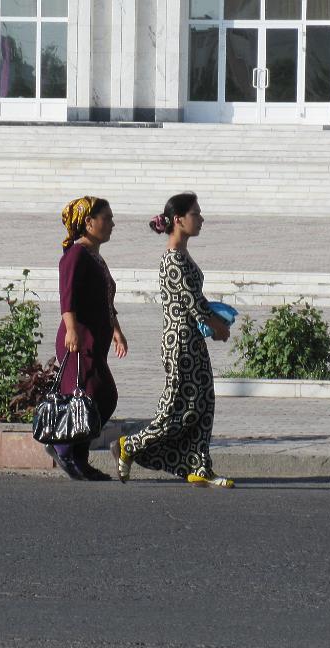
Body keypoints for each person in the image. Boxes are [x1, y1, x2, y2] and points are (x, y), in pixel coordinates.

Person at [111, 192, 235, 488]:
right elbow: (193, 303)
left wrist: (216, 319)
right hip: (180, 341)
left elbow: (196, 300)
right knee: (179, 407)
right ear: (178, 220)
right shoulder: (174, 259)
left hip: (191, 339)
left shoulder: (182, 255)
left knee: (203, 402)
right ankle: (129, 445)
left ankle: (199, 465)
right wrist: (217, 326)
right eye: (196, 213)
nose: (201, 219)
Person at [47, 196, 128, 481]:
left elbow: (104, 298)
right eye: (106, 218)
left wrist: (116, 330)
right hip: (78, 340)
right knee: (94, 397)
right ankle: (62, 447)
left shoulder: (95, 256)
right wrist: (71, 329)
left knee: (98, 398)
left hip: (95, 341)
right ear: (88, 222)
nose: (112, 223)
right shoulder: (76, 255)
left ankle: (79, 458)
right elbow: (66, 295)